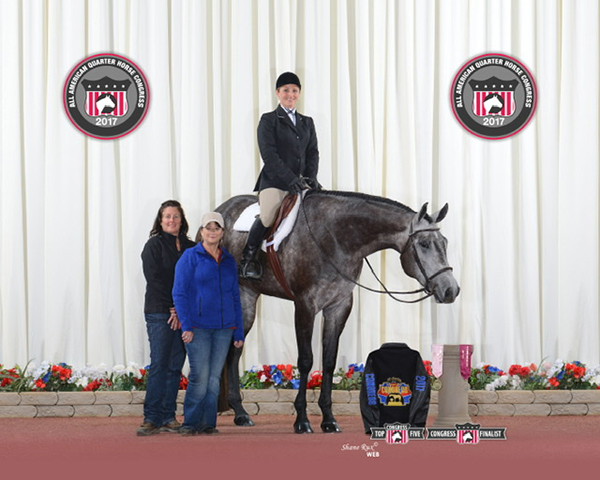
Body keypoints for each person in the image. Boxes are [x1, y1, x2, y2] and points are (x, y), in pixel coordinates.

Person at [239, 71, 321, 280]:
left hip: (302, 182)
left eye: (294, 90)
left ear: (299, 94)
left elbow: (313, 152)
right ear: (278, 93)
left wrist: (310, 178)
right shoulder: (268, 120)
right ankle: (248, 257)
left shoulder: (307, 122)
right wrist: (290, 180)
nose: (290, 94)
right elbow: (269, 155)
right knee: (268, 216)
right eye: (286, 90)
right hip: (275, 181)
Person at [172, 212, 245, 435]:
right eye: (208, 228)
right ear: (201, 231)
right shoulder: (189, 257)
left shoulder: (229, 260)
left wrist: (238, 331)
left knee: (214, 378)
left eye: (217, 228)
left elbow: (235, 296)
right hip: (198, 328)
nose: (212, 232)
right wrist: (186, 326)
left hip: (224, 329)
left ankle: (207, 423)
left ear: (222, 233)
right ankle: (190, 423)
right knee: (199, 376)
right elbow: (179, 293)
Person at [137, 200, 196, 436]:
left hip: (184, 315)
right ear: (160, 221)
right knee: (160, 364)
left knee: (174, 367)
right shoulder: (153, 245)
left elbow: (195, 282)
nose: (171, 220)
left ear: (182, 220)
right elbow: (155, 280)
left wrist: (183, 311)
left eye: (176, 216)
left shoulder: (192, 247)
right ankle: (151, 418)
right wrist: (173, 308)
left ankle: (169, 416)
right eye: (167, 217)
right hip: (160, 312)